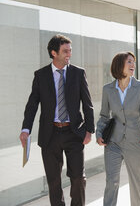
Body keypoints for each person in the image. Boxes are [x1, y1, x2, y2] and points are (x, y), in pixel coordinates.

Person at [19, 34, 94, 206]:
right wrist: (25, 129)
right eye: (65, 51)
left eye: (70, 51)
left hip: (74, 132)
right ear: (54, 53)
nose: (69, 54)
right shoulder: (41, 75)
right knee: (54, 181)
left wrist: (89, 130)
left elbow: (87, 104)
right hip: (50, 134)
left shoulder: (78, 73)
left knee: (78, 178)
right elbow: (32, 105)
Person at [96, 51, 140, 206]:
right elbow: (104, 115)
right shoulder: (108, 89)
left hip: (136, 141)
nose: (132, 65)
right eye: (129, 62)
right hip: (113, 142)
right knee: (112, 182)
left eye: (133, 62)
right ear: (119, 65)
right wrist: (99, 133)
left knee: (138, 182)